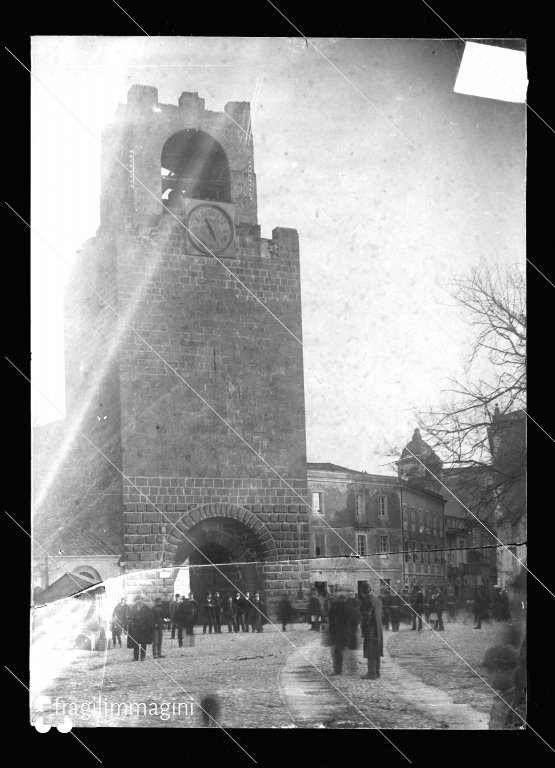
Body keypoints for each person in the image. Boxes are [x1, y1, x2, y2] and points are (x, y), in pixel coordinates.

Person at [327, 590, 360, 675]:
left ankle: (338, 671)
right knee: (349, 651)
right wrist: (354, 630)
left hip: (338, 632)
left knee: (338, 651)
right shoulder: (349, 606)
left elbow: (332, 620)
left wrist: (331, 633)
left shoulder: (334, 606)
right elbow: (355, 619)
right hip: (348, 632)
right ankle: (352, 670)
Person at [360, 584, 383, 679]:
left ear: (362, 592)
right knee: (376, 650)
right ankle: (377, 672)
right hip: (378, 629)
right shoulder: (377, 600)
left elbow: (366, 617)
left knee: (371, 651)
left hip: (371, 629)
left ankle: (371, 673)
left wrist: (363, 628)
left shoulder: (367, 601)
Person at [127, 595, 153, 661]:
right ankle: (136, 657)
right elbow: (129, 618)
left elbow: (149, 619)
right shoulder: (133, 608)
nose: (138, 601)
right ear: (136, 601)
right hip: (135, 629)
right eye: (137, 599)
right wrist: (131, 625)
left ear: (142, 600)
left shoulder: (146, 608)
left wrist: (147, 627)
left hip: (144, 628)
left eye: (140, 599)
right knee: (135, 643)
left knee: (143, 643)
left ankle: (142, 657)